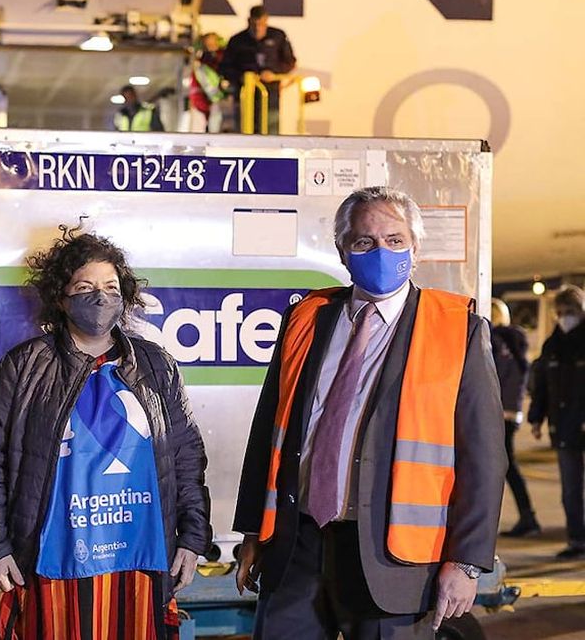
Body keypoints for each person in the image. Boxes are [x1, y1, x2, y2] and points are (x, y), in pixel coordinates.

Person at [232, 186, 506, 639]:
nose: (381, 251)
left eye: (395, 241)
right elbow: (269, 430)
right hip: (298, 545)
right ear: (343, 251)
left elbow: (484, 456)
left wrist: (466, 562)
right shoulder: (307, 318)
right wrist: (251, 532)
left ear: (415, 249)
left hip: (393, 560)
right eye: (364, 242)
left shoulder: (459, 329)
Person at [0, 228, 211, 640]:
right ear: (61, 298)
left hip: (138, 562)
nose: (100, 297)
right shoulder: (26, 366)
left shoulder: (156, 365)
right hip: (52, 564)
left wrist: (193, 536)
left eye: (111, 287)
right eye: (85, 287)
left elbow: (185, 457)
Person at [528, 285, 585, 559]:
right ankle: (577, 541)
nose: (564, 317)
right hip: (563, 428)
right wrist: (536, 419)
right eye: (560, 313)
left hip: (579, 423)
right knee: (570, 490)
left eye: (570, 312)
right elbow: (542, 387)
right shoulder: (552, 346)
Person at [491, 298, 540, 537]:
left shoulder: (498, 341)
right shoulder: (514, 342)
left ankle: (527, 516)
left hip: (500, 412)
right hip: (510, 411)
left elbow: (498, 378)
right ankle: (527, 515)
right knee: (507, 466)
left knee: (502, 466)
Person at [220, 5, 296, 134]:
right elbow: (225, 67)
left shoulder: (278, 36)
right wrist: (241, 76)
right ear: (249, 21)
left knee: (270, 128)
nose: (258, 28)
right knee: (244, 131)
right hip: (245, 94)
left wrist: (274, 73)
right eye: (255, 24)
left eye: (262, 24)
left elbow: (290, 62)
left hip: (270, 92)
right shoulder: (237, 40)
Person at [186, 32, 226, 132]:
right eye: (207, 45)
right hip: (203, 104)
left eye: (213, 44)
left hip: (221, 101)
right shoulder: (199, 65)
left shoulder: (225, 59)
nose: (210, 48)